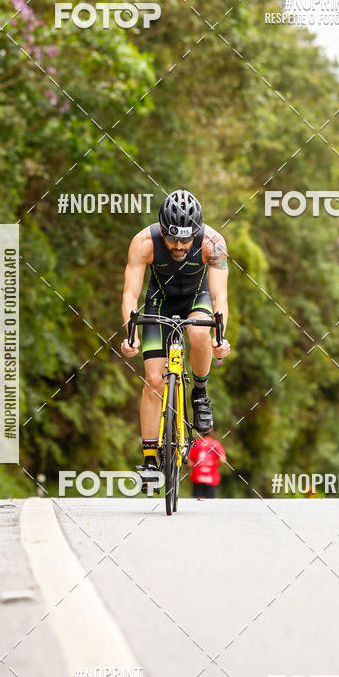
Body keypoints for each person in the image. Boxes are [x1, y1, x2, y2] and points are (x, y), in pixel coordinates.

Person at [120, 190, 231, 476]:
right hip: (159, 302)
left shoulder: (213, 243)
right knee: (153, 381)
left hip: (197, 300)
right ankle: (149, 459)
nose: (179, 246)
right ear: (161, 229)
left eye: (186, 239)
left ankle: (200, 394)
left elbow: (219, 296)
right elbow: (130, 294)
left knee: (199, 332)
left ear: (196, 232)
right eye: (172, 238)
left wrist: (220, 336)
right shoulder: (143, 242)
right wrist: (131, 334)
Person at [188, 431, 226, 498]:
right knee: (210, 502)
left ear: (201, 433)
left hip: (197, 477)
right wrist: (215, 465)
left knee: (198, 501)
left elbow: (187, 460)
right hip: (211, 478)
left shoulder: (195, 443)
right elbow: (222, 459)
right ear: (211, 433)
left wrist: (194, 466)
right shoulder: (215, 444)